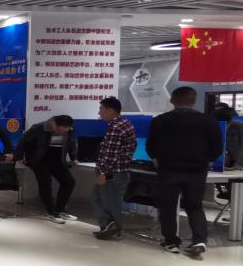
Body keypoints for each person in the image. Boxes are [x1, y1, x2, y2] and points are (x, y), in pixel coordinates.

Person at [146, 87, 222, 257]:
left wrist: (156, 159)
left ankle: (171, 241)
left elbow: (151, 146)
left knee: (168, 207)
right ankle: (199, 240)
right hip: (197, 171)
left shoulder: (160, 120)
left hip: (168, 170)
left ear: (172, 100)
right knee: (195, 206)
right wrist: (208, 161)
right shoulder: (209, 121)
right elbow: (217, 148)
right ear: (193, 101)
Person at [15, 115, 79, 224]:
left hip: (57, 159)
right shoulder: (39, 128)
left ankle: (60, 210)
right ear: (54, 124)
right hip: (39, 159)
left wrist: (74, 157)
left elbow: (71, 143)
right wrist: (19, 157)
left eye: (65, 130)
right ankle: (52, 212)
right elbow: (23, 141)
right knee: (45, 183)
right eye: (59, 130)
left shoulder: (70, 129)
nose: (61, 132)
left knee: (69, 182)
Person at [92, 97, 137, 241]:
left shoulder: (116, 127)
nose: (99, 113)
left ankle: (113, 227)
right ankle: (108, 226)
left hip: (112, 172)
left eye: (101, 109)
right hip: (120, 170)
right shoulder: (125, 123)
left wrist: (103, 172)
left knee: (109, 201)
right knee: (99, 197)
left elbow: (111, 153)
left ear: (110, 110)